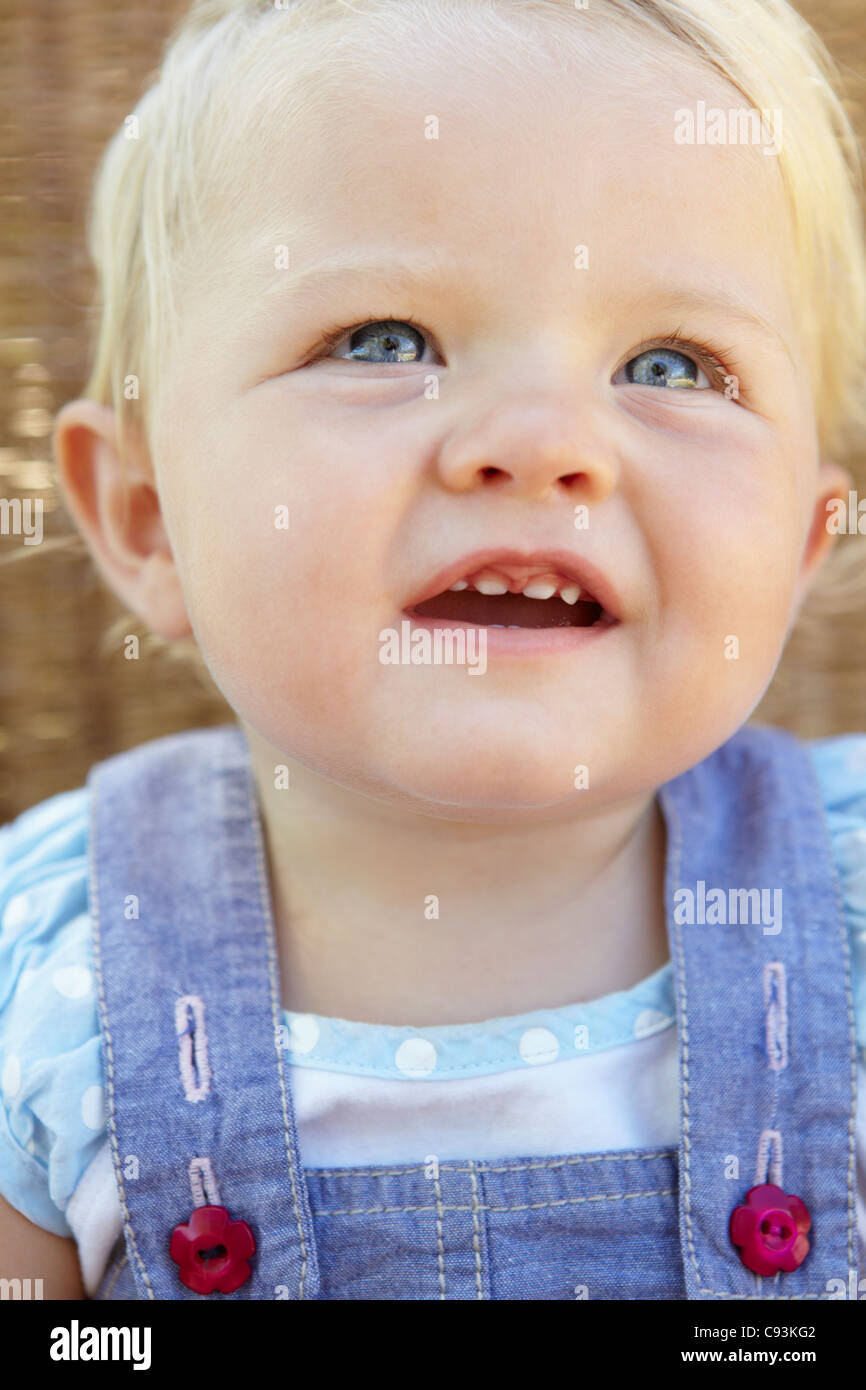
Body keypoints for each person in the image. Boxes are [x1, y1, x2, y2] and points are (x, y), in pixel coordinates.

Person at [1, 0, 865, 1300]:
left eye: (672, 363)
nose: (537, 439)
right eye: (382, 343)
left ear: (800, 545)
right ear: (148, 521)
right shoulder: (49, 961)